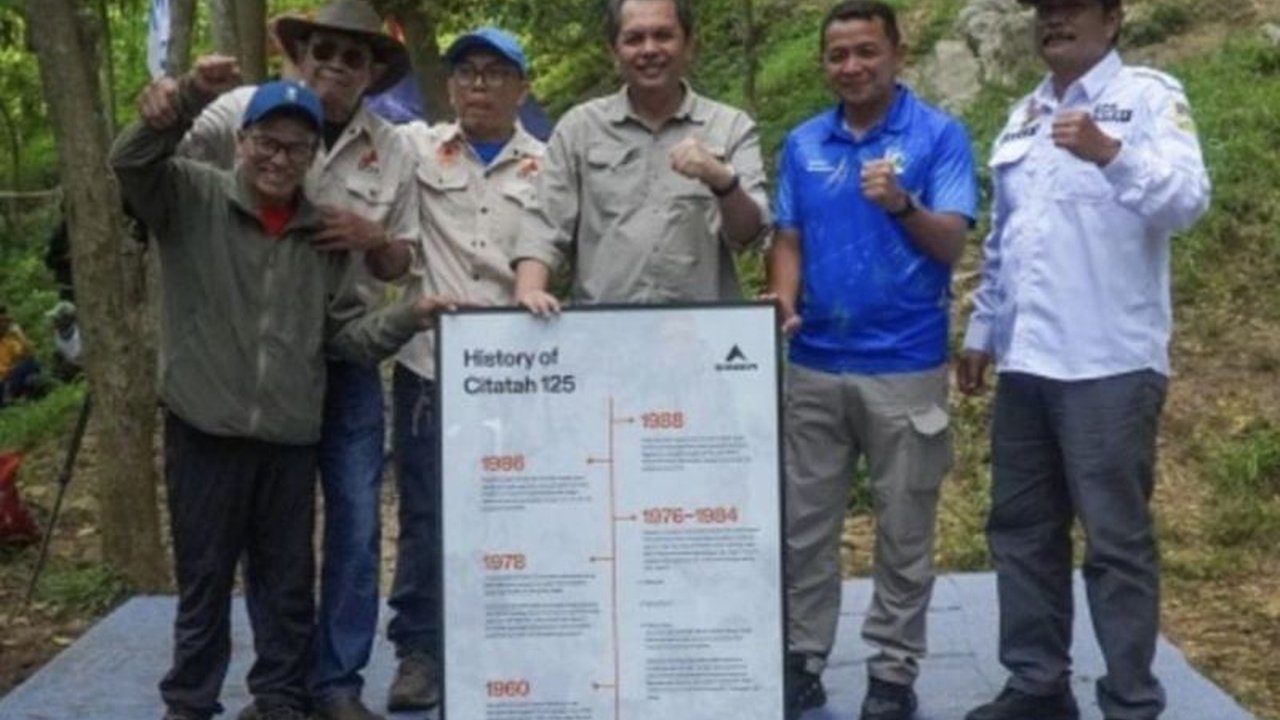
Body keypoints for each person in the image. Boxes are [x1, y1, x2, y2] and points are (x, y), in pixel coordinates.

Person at [114, 64, 453, 720]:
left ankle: (279, 697)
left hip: (289, 438)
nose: (279, 158)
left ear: (312, 157)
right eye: (267, 141)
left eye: (297, 148)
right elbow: (130, 161)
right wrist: (182, 97)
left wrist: (409, 315)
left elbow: (341, 341)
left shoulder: (320, 236)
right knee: (205, 580)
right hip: (204, 428)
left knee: (284, 583)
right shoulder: (191, 196)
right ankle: (190, 700)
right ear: (242, 141)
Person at [956, 1, 1210, 719]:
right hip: (1027, 363)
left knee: (1116, 543)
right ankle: (1037, 685)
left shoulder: (1148, 99)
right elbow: (1007, 241)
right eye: (1046, 10)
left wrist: (1111, 152)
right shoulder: (1023, 114)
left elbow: (1189, 201)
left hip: (1109, 363)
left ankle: (1130, 699)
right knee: (1021, 531)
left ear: (1113, 18)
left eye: (1072, 9)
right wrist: (981, 332)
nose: (1055, 21)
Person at [766, 3, 978, 719]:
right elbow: (787, 235)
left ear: (897, 52)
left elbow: (950, 242)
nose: (851, 67)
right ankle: (801, 656)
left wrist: (901, 203)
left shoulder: (938, 135)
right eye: (838, 55)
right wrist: (785, 299)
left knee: (905, 527)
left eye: (866, 51)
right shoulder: (802, 143)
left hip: (906, 364)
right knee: (804, 525)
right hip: (815, 362)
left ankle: (892, 671)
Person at [371, 26, 545, 713]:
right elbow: (350, 118)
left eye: (496, 73)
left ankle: (509, 640)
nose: (480, 85)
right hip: (430, 367)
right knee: (425, 514)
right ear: (450, 86)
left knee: (520, 510)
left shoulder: (551, 164)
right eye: (467, 72)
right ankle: (421, 650)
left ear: (521, 88)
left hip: (525, 374)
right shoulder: (416, 147)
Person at [512, 0, 769, 312]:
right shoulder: (579, 128)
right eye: (634, 39)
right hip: (605, 332)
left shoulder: (730, 127)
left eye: (663, 35)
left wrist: (721, 179)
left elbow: (750, 235)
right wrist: (529, 291)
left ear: (689, 45)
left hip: (703, 336)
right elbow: (544, 224)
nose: (649, 49)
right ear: (614, 53)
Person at [0, 306, 43, 407]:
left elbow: (29, 353)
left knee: (31, 363)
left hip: (9, 380)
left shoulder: (7, 342)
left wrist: (20, 335)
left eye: (6, 322)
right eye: (2, 321)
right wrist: (9, 370)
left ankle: (23, 394)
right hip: (3, 381)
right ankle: (11, 395)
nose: (5, 325)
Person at [45, 301, 82, 381]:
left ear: (66, 319)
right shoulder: (57, 334)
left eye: (57, 319)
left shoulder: (81, 332)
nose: (55, 322)